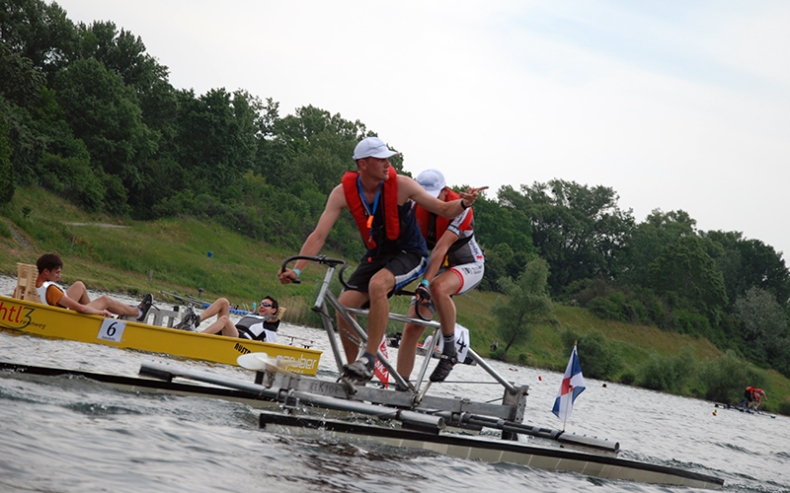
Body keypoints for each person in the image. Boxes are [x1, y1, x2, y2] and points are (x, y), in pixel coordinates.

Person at [278, 136, 486, 386]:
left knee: (378, 285)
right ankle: (354, 374)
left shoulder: (402, 185)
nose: (388, 164)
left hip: (411, 253)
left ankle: (369, 359)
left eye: (389, 159)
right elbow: (319, 235)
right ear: (363, 164)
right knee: (344, 305)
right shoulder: (341, 193)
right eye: (381, 159)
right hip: (378, 255)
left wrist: (464, 202)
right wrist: (297, 271)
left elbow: (443, 210)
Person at [396, 169, 485, 384]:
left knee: (437, 287)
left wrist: (425, 282)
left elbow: (440, 248)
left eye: (434, 196)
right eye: (424, 196)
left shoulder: (462, 209)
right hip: (439, 268)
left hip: (468, 264)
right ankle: (401, 386)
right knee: (412, 327)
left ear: (445, 191)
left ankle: (450, 351)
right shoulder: (415, 206)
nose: (429, 202)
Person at [34, 253, 153, 320]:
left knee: (79, 285)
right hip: (66, 318)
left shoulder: (39, 284)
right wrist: (100, 312)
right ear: (46, 271)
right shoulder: (51, 289)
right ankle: (138, 312)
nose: (59, 276)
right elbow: (80, 308)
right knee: (105, 300)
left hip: (59, 311)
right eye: (57, 272)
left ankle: (94, 317)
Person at [177, 296, 281, 342]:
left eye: (266, 305)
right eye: (261, 304)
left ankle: (196, 338)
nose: (262, 306)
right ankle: (195, 321)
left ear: (273, 310)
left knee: (224, 319)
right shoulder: (253, 315)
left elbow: (269, 348)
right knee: (223, 301)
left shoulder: (269, 324)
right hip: (231, 333)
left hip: (239, 342)